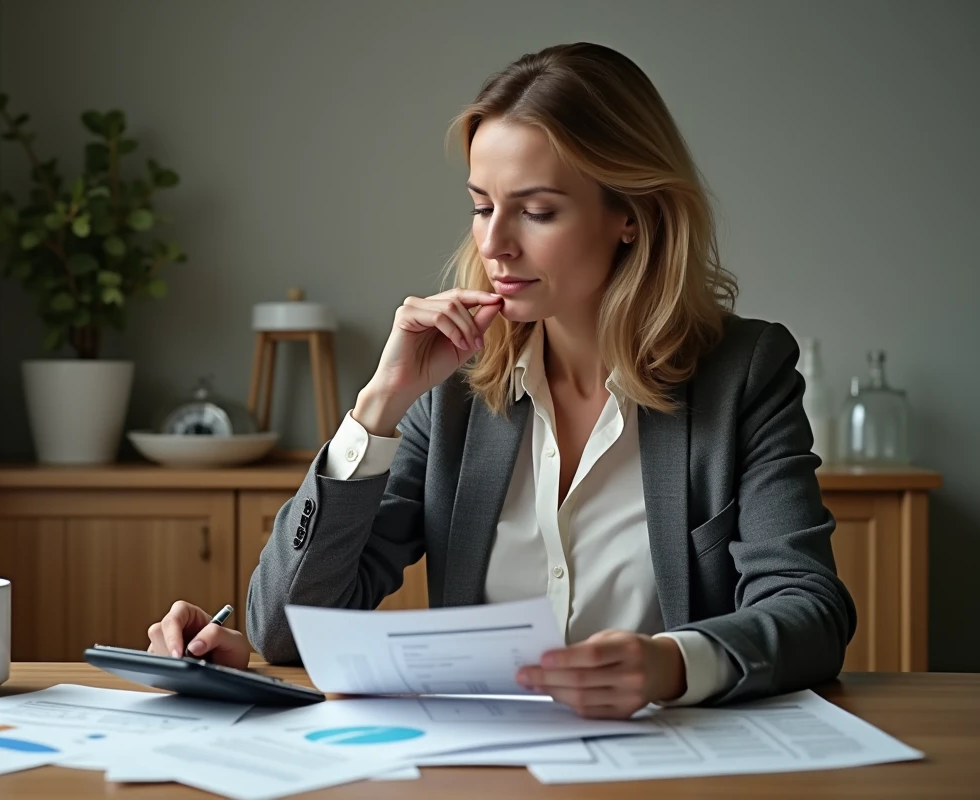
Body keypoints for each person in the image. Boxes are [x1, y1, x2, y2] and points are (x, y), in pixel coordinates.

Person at [147, 41, 856, 719]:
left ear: (633, 217)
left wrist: (672, 663)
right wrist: (377, 408)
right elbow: (284, 630)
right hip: (479, 769)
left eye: (537, 211)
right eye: (482, 206)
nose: (493, 244)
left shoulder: (746, 373)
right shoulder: (453, 387)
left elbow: (810, 612)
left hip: (666, 762)